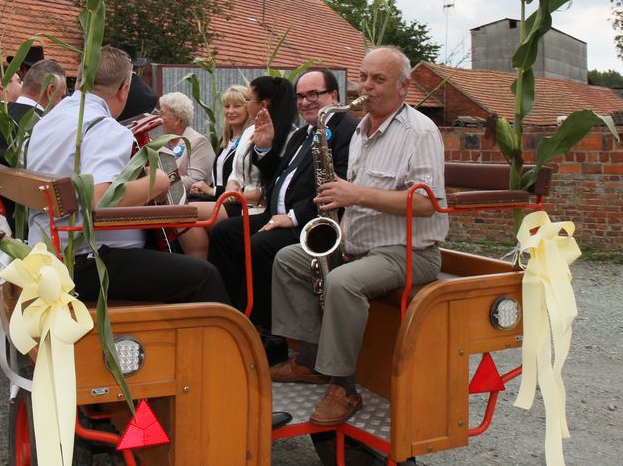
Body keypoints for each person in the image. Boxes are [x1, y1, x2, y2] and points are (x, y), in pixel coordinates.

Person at [269, 46, 449, 426]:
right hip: (361, 246)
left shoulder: (419, 131)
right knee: (289, 259)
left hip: (408, 251)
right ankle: (309, 358)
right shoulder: (361, 131)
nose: (366, 87)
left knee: (342, 282)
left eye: (378, 80)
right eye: (363, 77)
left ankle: (343, 386)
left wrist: (355, 194)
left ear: (404, 87)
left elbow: (427, 204)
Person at [26, 45, 229, 305]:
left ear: (78, 81)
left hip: (47, 250)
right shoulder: (104, 127)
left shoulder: (48, 121)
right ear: (124, 88)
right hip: (86, 260)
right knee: (204, 276)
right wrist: (159, 181)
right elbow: (101, 200)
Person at [207, 69, 358, 331]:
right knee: (224, 234)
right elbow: (278, 177)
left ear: (334, 95)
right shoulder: (303, 133)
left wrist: (291, 217)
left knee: (260, 245)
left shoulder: (348, 131)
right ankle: (227, 314)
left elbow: (340, 185)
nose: (305, 102)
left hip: (310, 224)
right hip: (276, 216)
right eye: (300, 96)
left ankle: (261, 332)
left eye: (314, 94)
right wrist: (264, 149)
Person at [179, 80, 296, 259]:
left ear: (264, 105)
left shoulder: (290, 137)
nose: (244, 106)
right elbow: (236, 171)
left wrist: (233, 195)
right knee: (183, 212)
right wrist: (232, 185)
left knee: (185, 213)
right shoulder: (249, 132)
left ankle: (203, 268)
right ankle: (201, 265)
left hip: (252, 205)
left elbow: (275, 186)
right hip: (237, 201)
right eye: (227, 106)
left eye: (247, 101)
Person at [157, 92, 215, 194]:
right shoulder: (162, 142)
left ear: (177, 120)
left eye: (162, 113)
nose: (158, 117)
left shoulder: (198, 142)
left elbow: (195, 181)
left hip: (189, 204)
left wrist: (160, 181)